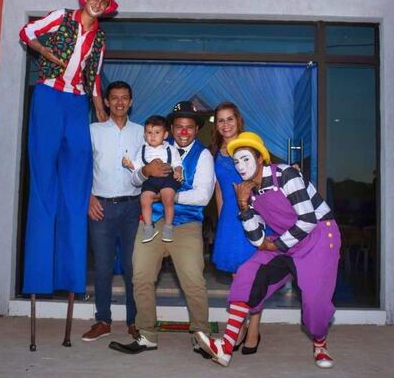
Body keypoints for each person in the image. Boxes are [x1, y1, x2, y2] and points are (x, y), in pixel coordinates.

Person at [20, 0, 124, 297]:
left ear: (107, 8)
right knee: (43, 184)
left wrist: (101, 113)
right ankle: (38, 276)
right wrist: (43, 52)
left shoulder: (100, 38)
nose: (98, 4)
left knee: (76, 186)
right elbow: (26, 32)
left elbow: (94, 79)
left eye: (104, 2)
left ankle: (70, 277)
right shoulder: (61, 17)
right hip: (49, 97)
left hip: (78, 103)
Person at [195, 132, 340, 369]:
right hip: (283, 238)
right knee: (247, 274)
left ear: (260, 159)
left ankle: (320, 342)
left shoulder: (285, 175)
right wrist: (243, 206)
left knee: (315, 305)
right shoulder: (248, 192)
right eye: (236, 162)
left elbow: (307, 219)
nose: (240, 167)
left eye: (246, 159)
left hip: (318, 238)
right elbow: (257, 238)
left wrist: (275, 244)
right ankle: (226, 347)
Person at [108, 101, 215, 355]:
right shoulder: (154, 147)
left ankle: (201, 336)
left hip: (186, 224)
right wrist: (145, 171)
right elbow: (135, 181)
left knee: (193, 281)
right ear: (171, 129)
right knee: (141, 277)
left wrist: (168, 196)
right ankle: (146, 335)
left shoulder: (204, 155)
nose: (184, 132)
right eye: (179, 126)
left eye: (189, 127)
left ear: (196, 129)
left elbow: (203, 196)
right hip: (151, 223)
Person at [81, 81, 144, 342]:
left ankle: (135, 321)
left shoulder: (141, 132)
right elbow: (81, 168)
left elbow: (148, 168)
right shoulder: (93, 131)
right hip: (101, 208)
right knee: (103, 266)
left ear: (131, 102)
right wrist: (88, 198)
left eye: (124, 98)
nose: (119, 102)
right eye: (114, 98)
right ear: (106, 102)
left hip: (133, 208)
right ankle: (103, 320)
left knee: (133, 267)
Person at [210, 102, 261, 354]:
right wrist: (222, 220)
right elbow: (219, 189)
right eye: (220, 120)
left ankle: (253, 330)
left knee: (254, 275)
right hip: (230, 218)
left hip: (252, 212)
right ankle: (239, 325)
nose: (226, 124)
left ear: (238, 120)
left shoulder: (249, 144)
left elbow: (262, 176)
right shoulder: (216, 151)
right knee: (236, 277)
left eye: (230, 119)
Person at [123, 115, 183, 243]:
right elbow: (138, 166)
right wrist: (130, 164)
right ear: (145, 135)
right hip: (150, 180)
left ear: (165, 135)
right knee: (144, 199)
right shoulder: (142, 150)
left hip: (167, 178)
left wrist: (178, 172)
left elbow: (178, 163)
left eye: (157, 132)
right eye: (149, 133)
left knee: (168, 197)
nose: (153, 136)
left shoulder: (171, 149)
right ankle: (148, 227)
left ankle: (168, 227)